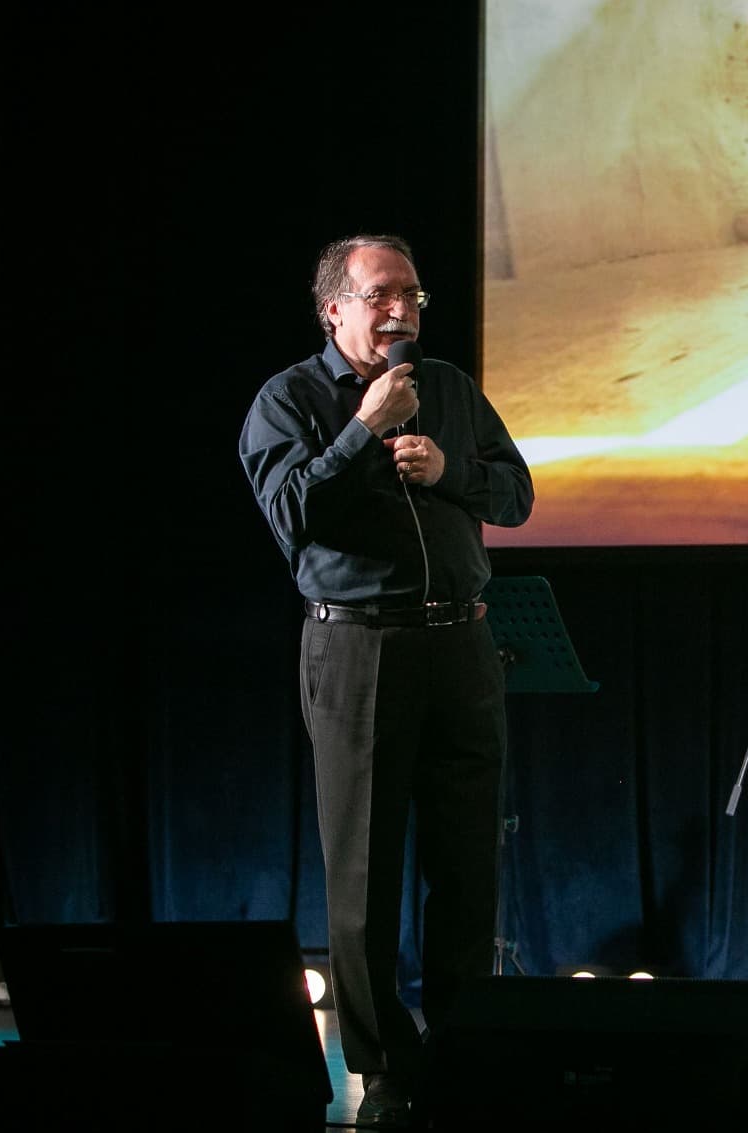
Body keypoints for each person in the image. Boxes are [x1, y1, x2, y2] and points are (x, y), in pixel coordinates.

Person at [238, 233, 533, 1128]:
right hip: (358, 649)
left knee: (466, 865)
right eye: (381, 295)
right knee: (363, 873)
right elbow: (291, 512)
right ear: (334, 308)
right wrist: (364, 427)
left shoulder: (447, 387)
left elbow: (516, 494)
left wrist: (453, 472)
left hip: (461, 647)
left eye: (411, 293)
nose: (401, 309)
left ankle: (460, 1046)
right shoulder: (288, 400)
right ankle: (382, 1067)